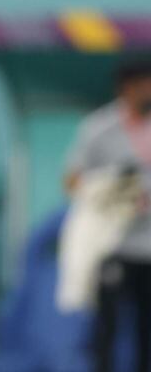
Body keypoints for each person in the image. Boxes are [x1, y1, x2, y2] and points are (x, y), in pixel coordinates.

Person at [65, 58, 151, 372]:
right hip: (113, 244)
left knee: (146, 329)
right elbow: (72, 180)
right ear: (127, 88)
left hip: (149, 245)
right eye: (144, 85)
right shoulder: (99, 128)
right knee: (107, 326)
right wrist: (114, 190)